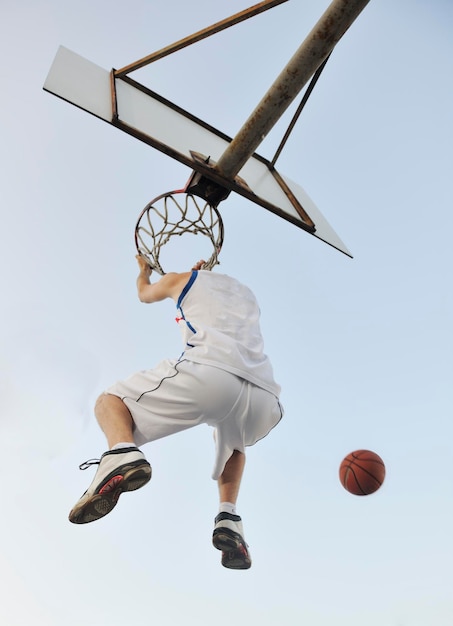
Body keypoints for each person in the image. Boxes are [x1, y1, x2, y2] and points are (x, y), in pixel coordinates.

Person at [69, 255, 283, 569]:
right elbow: (214, 301)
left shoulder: (179, 280)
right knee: (231, 441)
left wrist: (144, 272)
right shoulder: (246, 295)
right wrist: (200, 275)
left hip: (211, 375)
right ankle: (229, 516)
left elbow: (144, 294)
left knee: (110, 401)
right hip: (265, 399)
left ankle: (121, 453)